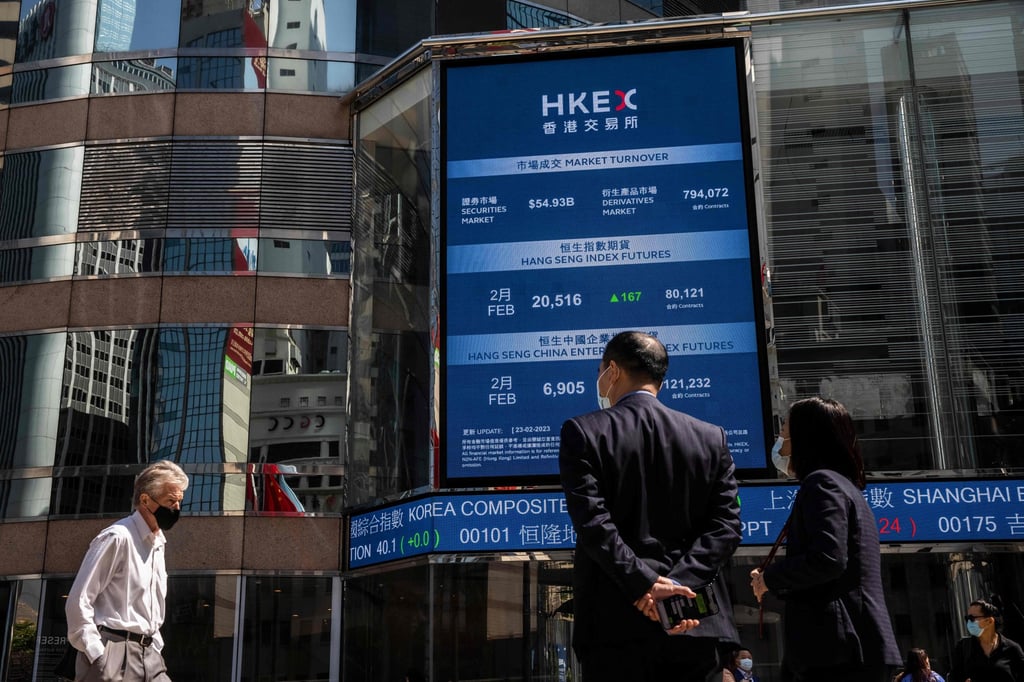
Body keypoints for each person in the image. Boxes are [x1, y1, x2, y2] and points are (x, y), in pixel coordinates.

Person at [559, 331, 742, 682]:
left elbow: (594, 524)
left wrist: (648, 585)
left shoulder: (584, 432)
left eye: (600, 370)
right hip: (693, 619)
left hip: (615, 623)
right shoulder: (710, 436)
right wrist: (675, 587)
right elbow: (726, 527)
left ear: (612, 371)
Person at [748, 397, 900, 682]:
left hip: (839, 650)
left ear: (805, 438)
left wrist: (770, 578)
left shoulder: (822, 484)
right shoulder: (844, 485)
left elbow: (827, 559)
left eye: (784, 431)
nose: (780, 441)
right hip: (847, 647)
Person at [66, 460, 189, 682]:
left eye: (179, 502)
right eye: (170, 501)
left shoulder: (158, 544)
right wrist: (97, 653)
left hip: (150, 654)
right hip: (113, 651)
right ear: (145, 500)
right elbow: (78, 600)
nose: (176, 509)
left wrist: (156, 646)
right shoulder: (118, 537)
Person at [948, 597, 1024, 682]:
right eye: (967, 618)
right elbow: (953, 677)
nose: (969, 622)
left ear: (990, 621)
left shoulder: (1012, 649)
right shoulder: (963, 647)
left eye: (972, 618)